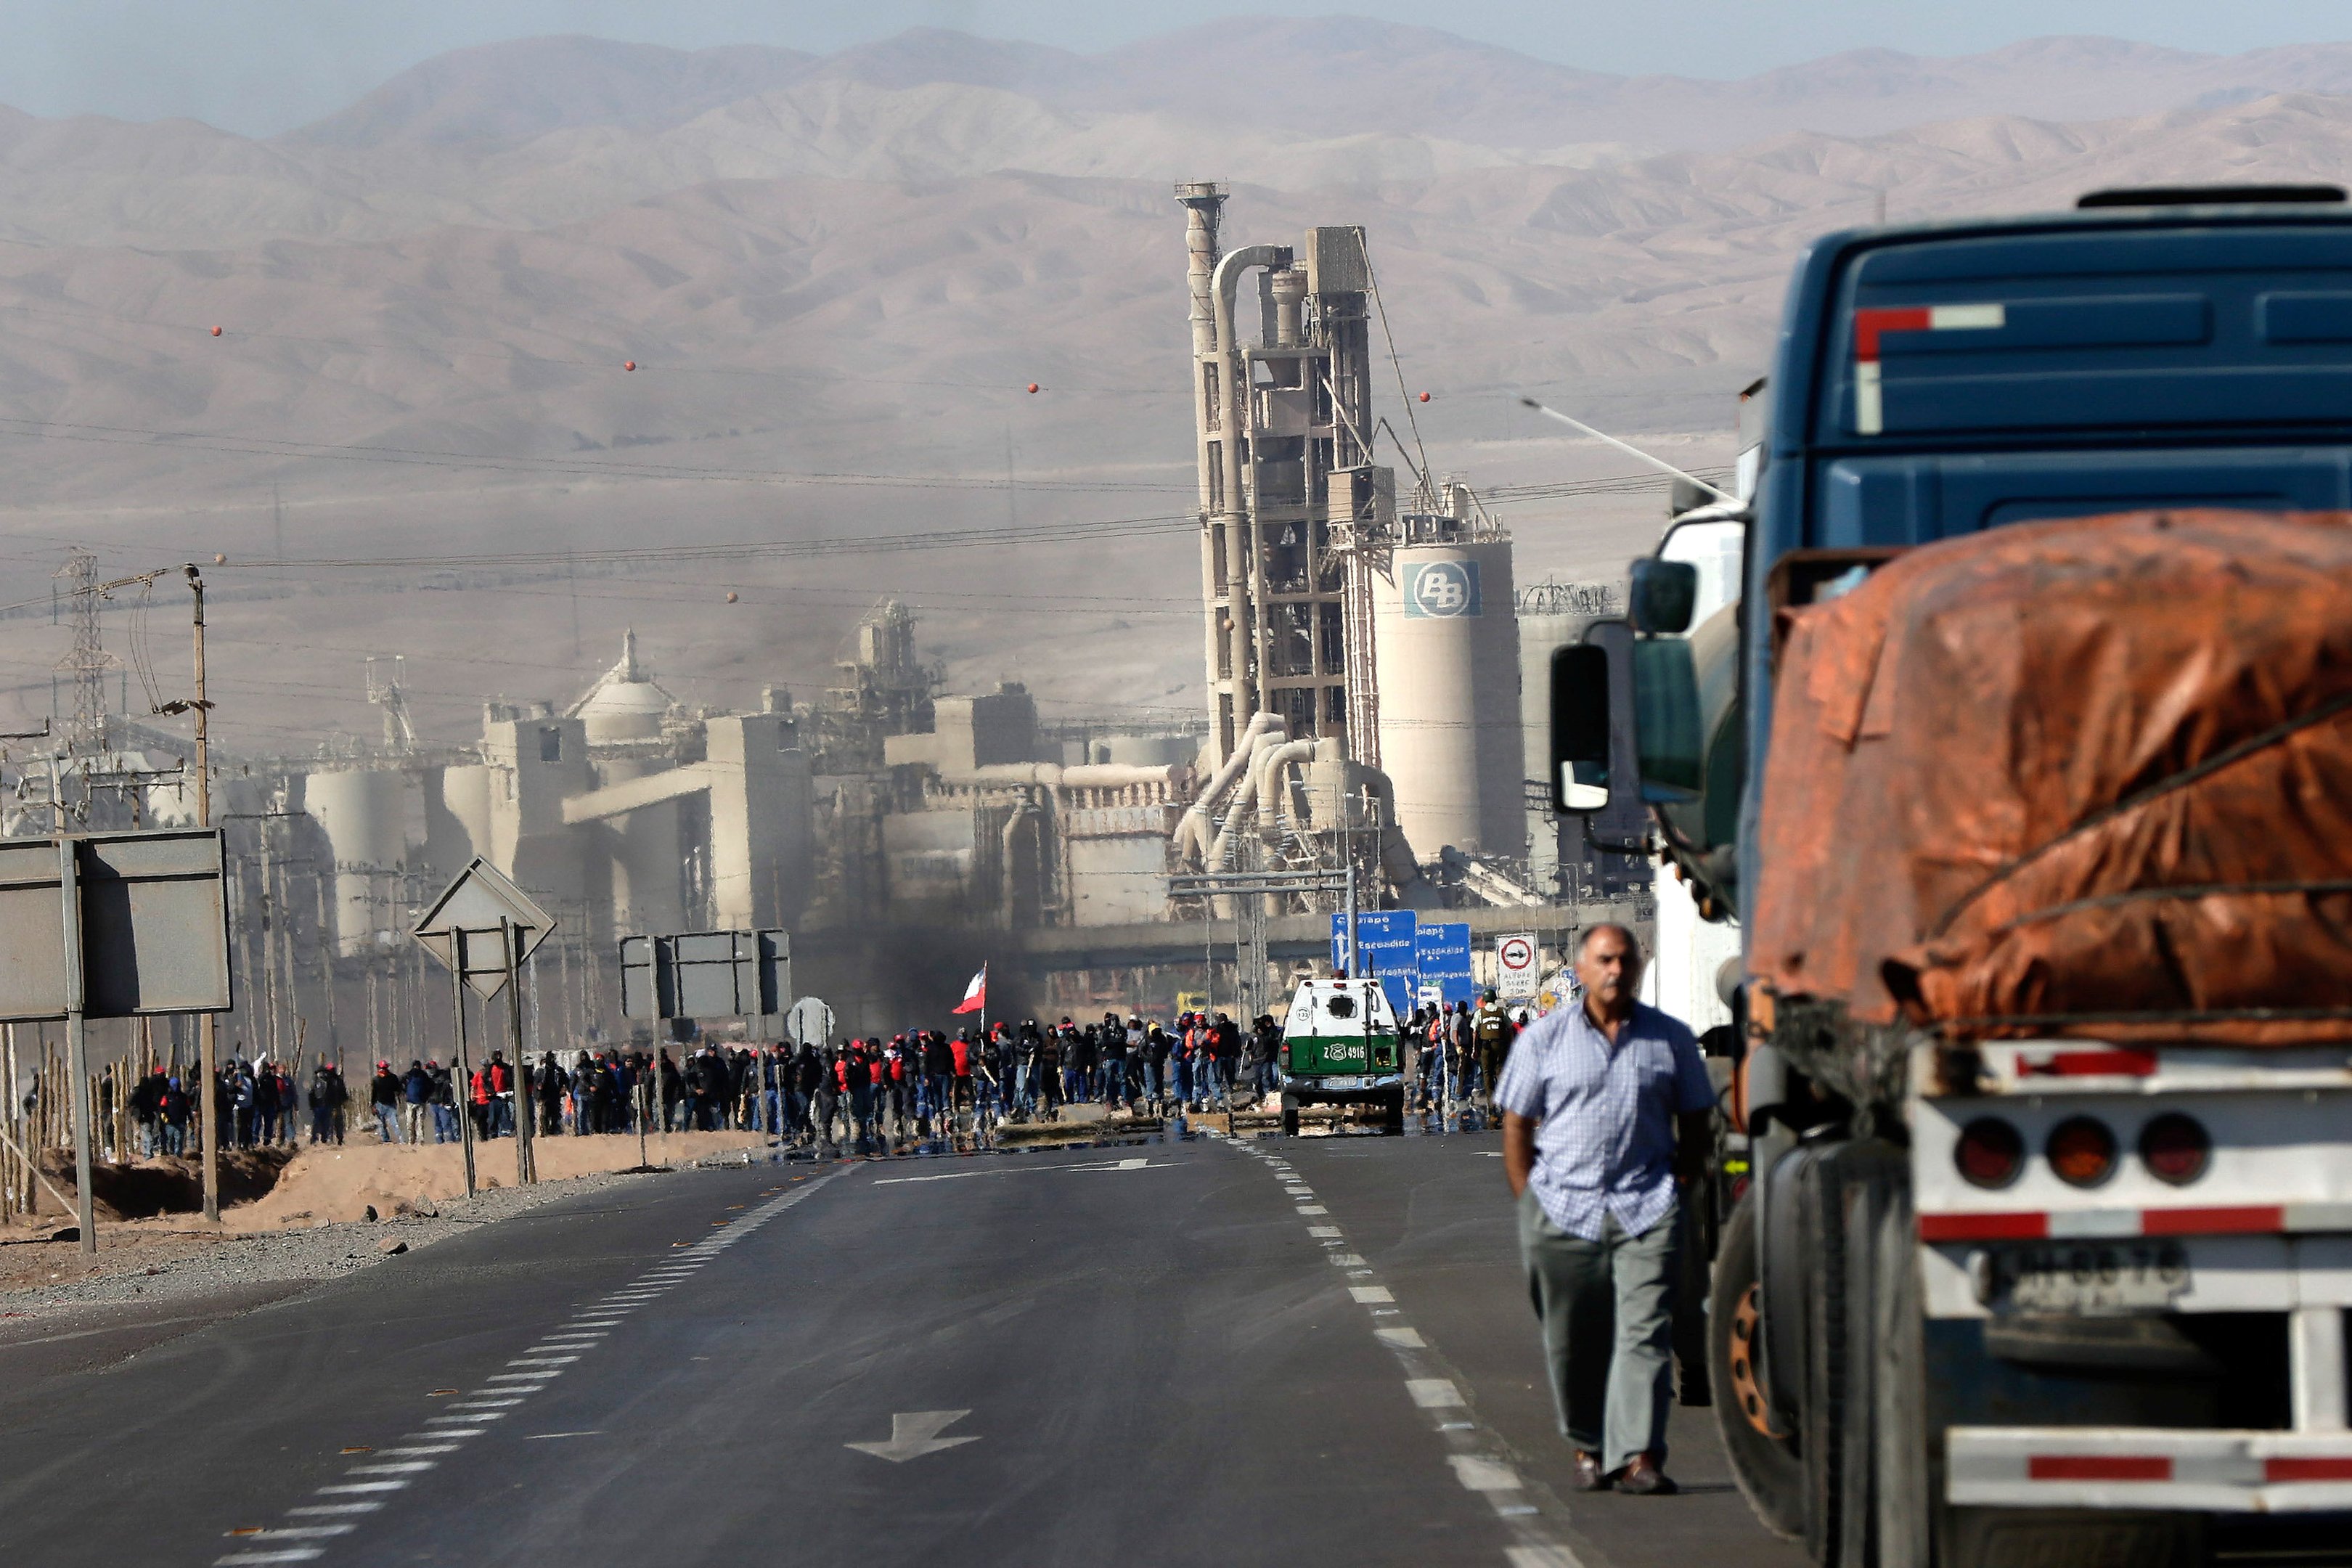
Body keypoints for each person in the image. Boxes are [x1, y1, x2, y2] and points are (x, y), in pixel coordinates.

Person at [1497, 924, 1712, 1498]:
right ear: (1582, 969)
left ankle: (1639, 1456)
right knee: (1574, 1340)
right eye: (1605, 960)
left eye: (1626, 960)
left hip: (1647, 1207)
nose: (1616, 970)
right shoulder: (1542, 1040)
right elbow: (1516, 1124)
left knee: (1645, 1333)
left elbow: (1697, 1119)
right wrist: (1529, 1202)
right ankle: (1589, 1446)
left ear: (1638, 969)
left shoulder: (1669, 1039)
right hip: (1562, 1209)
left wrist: (1679, 1184)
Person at [1473, 989, 1518, 1107]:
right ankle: (1504, 1102)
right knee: (1500, 1072)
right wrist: (1512, 1046)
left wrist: (1474, 1049)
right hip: (1500, 1046)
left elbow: (1474, 1032)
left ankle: (1491, 1103)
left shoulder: (1480, 1013)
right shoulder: (1501, 1011)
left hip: (1486, 1046)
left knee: (1487, 1073)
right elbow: (1510, 1029)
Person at [369, 1061, 401, 1143]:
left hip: (391, 1104)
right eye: (381, 1068)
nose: (382, 1070)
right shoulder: (376, 1080)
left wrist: (399, 1095)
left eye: (384, 1068)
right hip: (380, 1104)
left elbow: (398, 1089)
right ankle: (385, 1140)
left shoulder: (393, 1078)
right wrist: (372, 1105)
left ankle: (401, 1140)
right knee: (381, 1124)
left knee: (395, 1123)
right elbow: (374, 1093)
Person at [401, 1059, 431, 1145]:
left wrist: (404, 1092)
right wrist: (427, 1097)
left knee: (411, 1122)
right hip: (421, 1101)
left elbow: (400, 1083)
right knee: (419, 1122)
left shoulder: (408, 1075)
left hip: (411, 1101)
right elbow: (430, 1086)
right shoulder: (424, 1075)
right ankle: (419, 1140)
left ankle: (412, 1139)